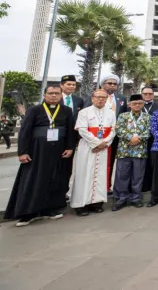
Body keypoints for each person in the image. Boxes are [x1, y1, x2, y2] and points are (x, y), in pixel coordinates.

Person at [4, 85, 74, 226]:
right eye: (51, 93)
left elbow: (70, 131)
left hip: (59, 151)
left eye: (56, 93)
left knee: (55, 179)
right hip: (37, 151)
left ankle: (49, 209)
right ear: (45, 95)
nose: (54, 96)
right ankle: (27, 213)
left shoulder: (67, 111)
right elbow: (25, 132)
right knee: (33, 179)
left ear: (61, 95)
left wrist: (70, 147)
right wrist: (22, 152)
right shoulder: (34, 110)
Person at [70, 89, 116, 216]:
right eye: (98, 97)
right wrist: (96, 143)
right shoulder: (84, 112)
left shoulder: (111, 113)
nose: (100, 99)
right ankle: (80, 204)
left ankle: (97, 203)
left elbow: (113, 130)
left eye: (103, 97)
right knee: (84, 175)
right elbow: (82, 130)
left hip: (103, 148)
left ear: (107, 99)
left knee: (100, 175)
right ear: (92, 98)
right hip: (87, 148)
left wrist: (104, 143)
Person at [112, 93, 151, 211]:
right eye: (134, 103)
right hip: (124, 150)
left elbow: (149, 131)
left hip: (140, 151)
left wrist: (138, 138)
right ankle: (121, 198)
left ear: (143, 104)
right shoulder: (123, 116)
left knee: (138, 176)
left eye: (140, 103)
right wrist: (131, 137)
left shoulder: (147, 117)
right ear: (129, 105)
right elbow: (119, 129)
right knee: (121, 175)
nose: (137, 105)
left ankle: (136, 198)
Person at [98, 74, 127, 194]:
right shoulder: (96, 97)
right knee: (98, 162)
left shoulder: (122, 98)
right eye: (109, 83)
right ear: (103, 84)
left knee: (111, 161)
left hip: (116, 136)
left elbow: (124, 116)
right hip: (99, 136)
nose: (112, 86)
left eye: (115, 84)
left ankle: (107, 186)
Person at [140, 86, 158, 193]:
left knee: (152, 163)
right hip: (139, 139)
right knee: (141, 163)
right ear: (142, 95)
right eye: (145, 94)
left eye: (150, 94)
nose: (147, 96)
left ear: (153, 95)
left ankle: (152, 185)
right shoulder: (136, 105)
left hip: (154, 139)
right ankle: (142, 185)